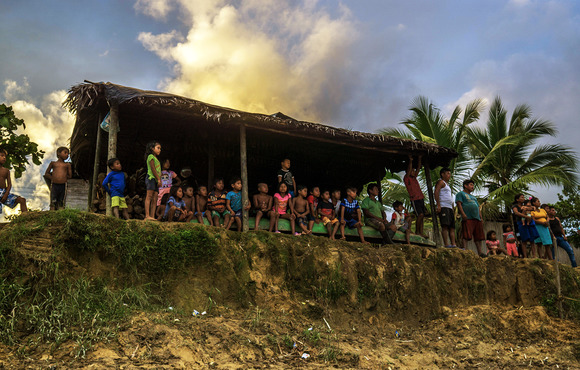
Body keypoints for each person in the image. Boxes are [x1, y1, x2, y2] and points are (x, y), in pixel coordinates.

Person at [455, 179, 485, 256]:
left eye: (473, 185)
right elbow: (459, 204)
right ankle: (465, 250)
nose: (473, 186)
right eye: (471, 185)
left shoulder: (474, 197)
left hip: (477, 218)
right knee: (466, 234)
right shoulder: (460, 194)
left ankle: (480, 252)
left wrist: (481, 217)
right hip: (467, 217)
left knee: (478, 236)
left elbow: (478, 207)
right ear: (465, 186)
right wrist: (463, 214)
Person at [404, 155, 427, 238]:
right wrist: (410, 161)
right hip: (414, 199)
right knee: (420, 215)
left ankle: (421, 231)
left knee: (422, 216)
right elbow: (410, 169)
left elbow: (418, 169)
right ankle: (418, 231)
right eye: (412, 171)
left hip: (420, 198)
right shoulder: (406, 178)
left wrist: (420, 159)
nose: (413, 172)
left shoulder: (414, 178)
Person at [0, 148, 27, 214]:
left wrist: (6, 194)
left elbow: (9, 184)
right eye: (2, 156)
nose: (4, 158)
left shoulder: (6, 170)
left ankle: (26, 219)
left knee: (22, 200)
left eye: (5, 156)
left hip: (3, 192)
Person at [434, 167, 456, 247]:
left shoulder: (447, 185)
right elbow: (436, 192)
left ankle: (453, 244)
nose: (449, 175)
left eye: (450, 173)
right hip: (443, 206)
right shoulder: (441, 182)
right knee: (445, 226)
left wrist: (452, 208)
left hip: (449, 207)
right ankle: (446, 244)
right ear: (442, 174)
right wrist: (438, 204)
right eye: (447, 173)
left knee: (452, 227)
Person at [511, 194, 537, 258]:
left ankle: (534, 255)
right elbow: (516, 213)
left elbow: (532, 208)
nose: (523, 198)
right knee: (524, 240)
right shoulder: (515, 206)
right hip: (521, 222)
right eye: (522, 197)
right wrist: (525, 216)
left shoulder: (524, 205)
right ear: (517, 199)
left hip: (528, 222)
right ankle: (525, 256)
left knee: (532, 239)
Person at [144, 141, 161, 221]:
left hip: (156, 180)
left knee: (155, 198)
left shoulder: (156, 158)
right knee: (149, 196)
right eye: (158, 148)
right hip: (151, 178)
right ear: (152, 148)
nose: (159, 150)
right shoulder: (150, 156)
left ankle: (152, 216)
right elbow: (153, 169)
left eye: (160, 148)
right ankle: (147, 216)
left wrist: (158, 180)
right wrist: (158, 179)